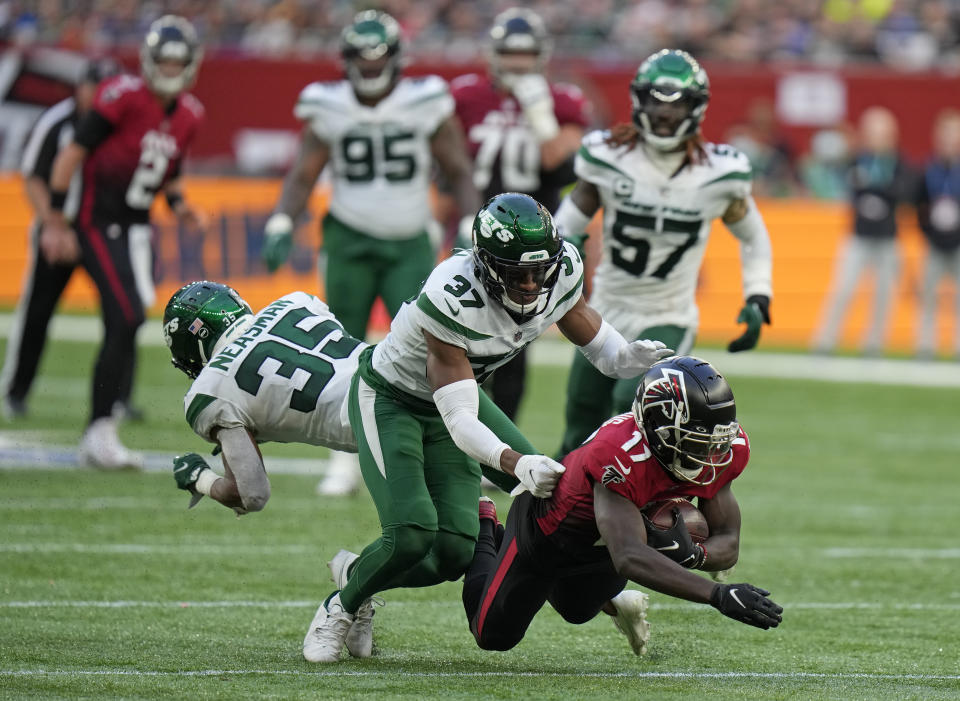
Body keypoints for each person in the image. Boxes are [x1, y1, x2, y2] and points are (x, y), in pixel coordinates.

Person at [303, 192, 674, 664]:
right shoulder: (451, 296)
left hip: (458, 396)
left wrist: (626, 359)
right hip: (394, 400)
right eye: (516, 272)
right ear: (484, 265)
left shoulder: (555, 273)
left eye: (539, 270)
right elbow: (459, 422)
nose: (530, 283)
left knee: (475, 542)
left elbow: (595, 339)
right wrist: (516, 464)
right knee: (414, 533)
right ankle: (344, 603)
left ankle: (596, 592)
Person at [162, 279, 550, 661]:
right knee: (440, 538)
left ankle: (351, 585)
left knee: (449, 548)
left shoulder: (210, 391)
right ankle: (350, 597)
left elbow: (251, 492)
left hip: (383, 404)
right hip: (428, 373)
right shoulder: (296, 301)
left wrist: (201, 477)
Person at [261, 10, 481, 496]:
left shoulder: (425, 100)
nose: (369, 64)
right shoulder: (328, 105)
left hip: (408, 242)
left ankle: (433, 453)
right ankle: (344, 458)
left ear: (396, 59)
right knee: (342, 348)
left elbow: (459, 169)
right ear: (346, 60)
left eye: (376, 55)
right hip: (349, 239)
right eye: (360, 55)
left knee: (428, 349)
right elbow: (303, 172)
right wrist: (282, 218)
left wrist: (468, 222)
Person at [462, 355, 783, 655]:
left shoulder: (722, 454)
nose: (709, 456)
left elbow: (728, 539)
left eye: (717, 442)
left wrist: (695, 555)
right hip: (546, 535)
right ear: (659, 428)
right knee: (493, 636)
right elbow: (629, 555)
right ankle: (485, 525)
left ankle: (603, 599)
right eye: (697, 442)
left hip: (603, 548)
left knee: (576, 610)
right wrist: (716, 595)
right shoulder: (620, 453)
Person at [553, 49, 774, 458]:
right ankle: (564, 513)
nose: (665, 115)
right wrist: (564, 247)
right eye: (656, 101)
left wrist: (758, 293)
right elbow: (569, 220)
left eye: (677, 106)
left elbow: (754, 236)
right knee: (580, 419)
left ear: (697, 109)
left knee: (629, 403)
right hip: (605, 308)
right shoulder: (609, 157)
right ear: (639, 100)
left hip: (667, 314)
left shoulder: (719, 174)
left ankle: (635, 506)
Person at [40, 15, 206, 469]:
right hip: (96, 219)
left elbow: (167, 173)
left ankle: (101, 428)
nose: (171, 70)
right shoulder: (123, 96)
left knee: (128, 319)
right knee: (127, 314)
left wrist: (180, 206)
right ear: (151, 61)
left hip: (135, 226)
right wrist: (56, 218)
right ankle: (99, 428)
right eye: (164, 62)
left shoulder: (190, 114)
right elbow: (72, 152)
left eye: (179, 63)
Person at [451, 7, 590, 422]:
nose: (517, 62)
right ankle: (456, 433)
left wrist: (538, 111)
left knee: (513, 344)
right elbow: (447, 163)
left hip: (530, 241)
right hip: (471, 229)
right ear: (494, 53)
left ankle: (500, 440)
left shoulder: (562, 101)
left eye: (526, 53)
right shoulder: (465, 97)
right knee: (456, 334)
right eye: (510, 53)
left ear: (540, 55)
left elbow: (555, 159)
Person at [1, 57, 119, 420]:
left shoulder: (119, 124)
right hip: (59, 225)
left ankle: (119, 399)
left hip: (101, 230)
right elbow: (33, 176)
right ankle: (16, 391)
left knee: (121, 314)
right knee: (37, 311)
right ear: (81, 87)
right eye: (94, 88)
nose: (98, 97)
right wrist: (53, 225)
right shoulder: (57, 121)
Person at [812, 106, 914, 356]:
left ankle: (874, 344)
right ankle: (825, 340)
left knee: (883, 295)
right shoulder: (857, 160)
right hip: (858, 236)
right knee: (843, 288)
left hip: (887, 238)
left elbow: (901, 193)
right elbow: (852, 191)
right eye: (872, 132)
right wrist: (876, 192)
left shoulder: (899, 163)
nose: (876, 137)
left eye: (881, 132)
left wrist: (874, 190)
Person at [915, 109, 960, 359]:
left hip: (958, 243)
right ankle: (925, 346)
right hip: (934, 243)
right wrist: (928, 232)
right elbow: (919, 206)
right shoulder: (928, 169)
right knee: (928, 297)